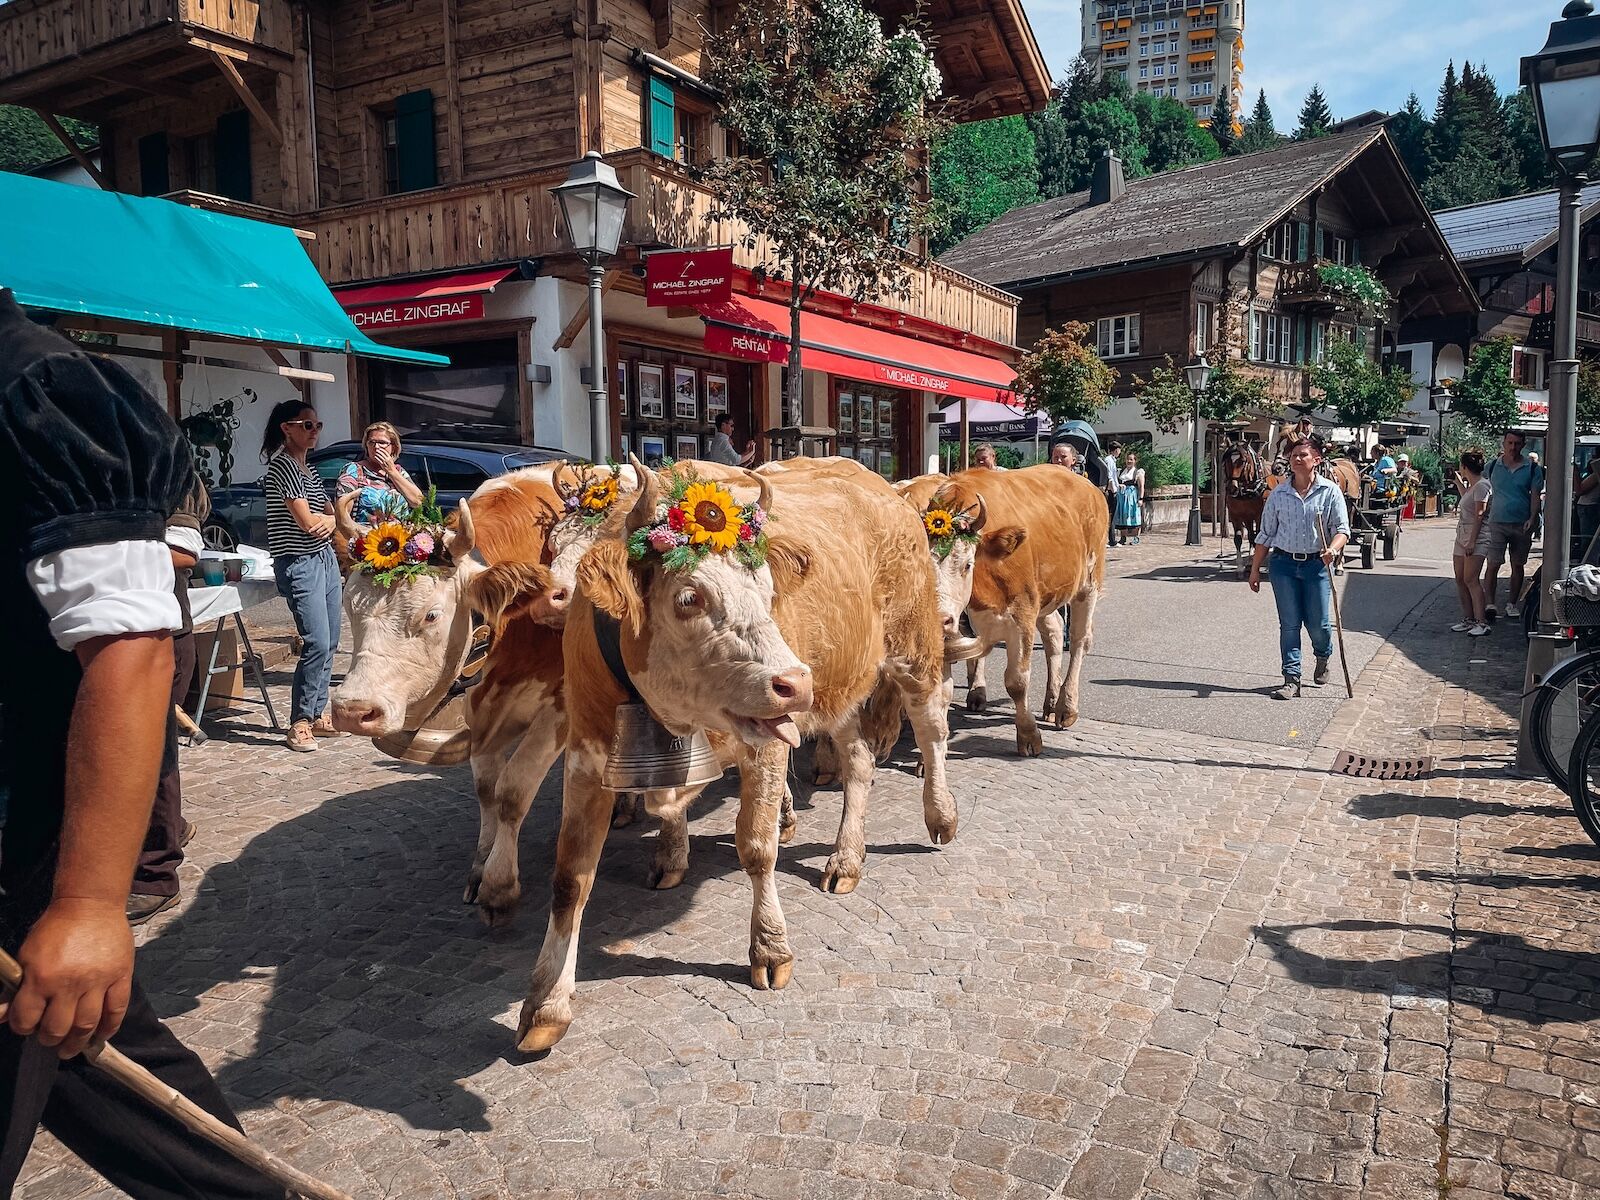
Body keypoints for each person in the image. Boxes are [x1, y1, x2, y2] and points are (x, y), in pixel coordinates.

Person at [0, 290, 281, 1197]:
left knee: (81, 1046)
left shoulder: (36, 388)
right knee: (113, 1078)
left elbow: (129, 653)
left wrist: (86, 907)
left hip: (24, 868)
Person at [126, 476, 208, 926]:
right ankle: (170, 827)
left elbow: (184, 552)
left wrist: (94, 552)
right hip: (105, 634)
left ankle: (154, 875)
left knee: (151, 755)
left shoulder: (163, 462)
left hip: (158, 634)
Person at [262, 399, 343, 752]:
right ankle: (298, 722)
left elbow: (329, 513)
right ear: (287, 428)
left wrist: (331, 520)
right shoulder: (283, 468)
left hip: (323, 558)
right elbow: (310, 522)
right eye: (307, 425)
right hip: (299, 560)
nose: (314, 432)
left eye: (317, 425)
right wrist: (330, 521)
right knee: (316, 641)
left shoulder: (307, 470)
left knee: (333, 640)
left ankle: (316, 712)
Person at [1248, 435, 1350, 699]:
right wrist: (1255, 568)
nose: (1296, 459)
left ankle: (1323, 655)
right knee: (1289, 624)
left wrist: (1334, 548)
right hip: (1283, 564)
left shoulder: (1330, 491)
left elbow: (1342, 529)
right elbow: (1265, 534)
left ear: (1316, 460)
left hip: (1316, 565)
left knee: (1319, 624)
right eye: (1294, 455)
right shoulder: (1278, 494)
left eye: (1303, 455)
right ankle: (1291, 679)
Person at [1483, 430, 1544, 620]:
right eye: (1509, 443)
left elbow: (1535, 495)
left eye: (1517, 443)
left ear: (1523, 445)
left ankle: (1512, 604)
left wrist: (1532, 518)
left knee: (1518, 564)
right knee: (1493, 563)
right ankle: (1490, 603)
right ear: (1503, 444)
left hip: (1521, 523)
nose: (1512, 447)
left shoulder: (1532, 468)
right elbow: (1482, 489)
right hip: (1497, 521)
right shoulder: (1492, 466)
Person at [336, 420, 423, 522]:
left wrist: (391, 472)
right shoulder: (353, 470)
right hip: (366, 535)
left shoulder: (399, 471)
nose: (376, 447)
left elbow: (418, 502)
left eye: (382, 443)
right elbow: (342, 513)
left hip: (399, 535)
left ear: (393, 447)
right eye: (371, 442)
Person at [1451, 450, 1492, 638]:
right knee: (1460, 578)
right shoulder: (1474, 486)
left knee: (1471, 579)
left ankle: (1481, 621)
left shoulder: (1483, 486)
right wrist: (1458, 482)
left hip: (1476, 536)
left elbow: (1480, 514)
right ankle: (1468, 618)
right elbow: (1467, 498)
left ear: (1465, 467)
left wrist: (1472, 541)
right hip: (1463, 534)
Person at [1113, 450, 1146, 546]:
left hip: (1132, 496)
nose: (1129, 461)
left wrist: (1141, 498)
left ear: (1135, 461)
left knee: (1134, 514)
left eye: (1131, 459)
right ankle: (1123, 537)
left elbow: (1141, 486)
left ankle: (1136, 537)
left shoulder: (1138, 472)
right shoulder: (1122, 471)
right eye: (1128, 459)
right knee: (1122, 516)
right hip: (1122, 497)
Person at [1577, 453, 1600, 553]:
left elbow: (1580, 490)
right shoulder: (1593, 474)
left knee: (1588, 539)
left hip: (1589, 506)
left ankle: (1586, 558)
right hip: (1588, 505)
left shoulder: (1596, 475)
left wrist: (1574, 473)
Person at [1102, 440, 1122, 548]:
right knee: (1110, 515)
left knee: (1112, 515)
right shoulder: (1109, 460)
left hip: (1114, 489)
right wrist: (1113, 489)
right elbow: (1109, 476)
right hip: (1110, 491)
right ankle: (1110, 539)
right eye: (1119, 450)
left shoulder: (1112, 460)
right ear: (1115, 450)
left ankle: (1112, 539)